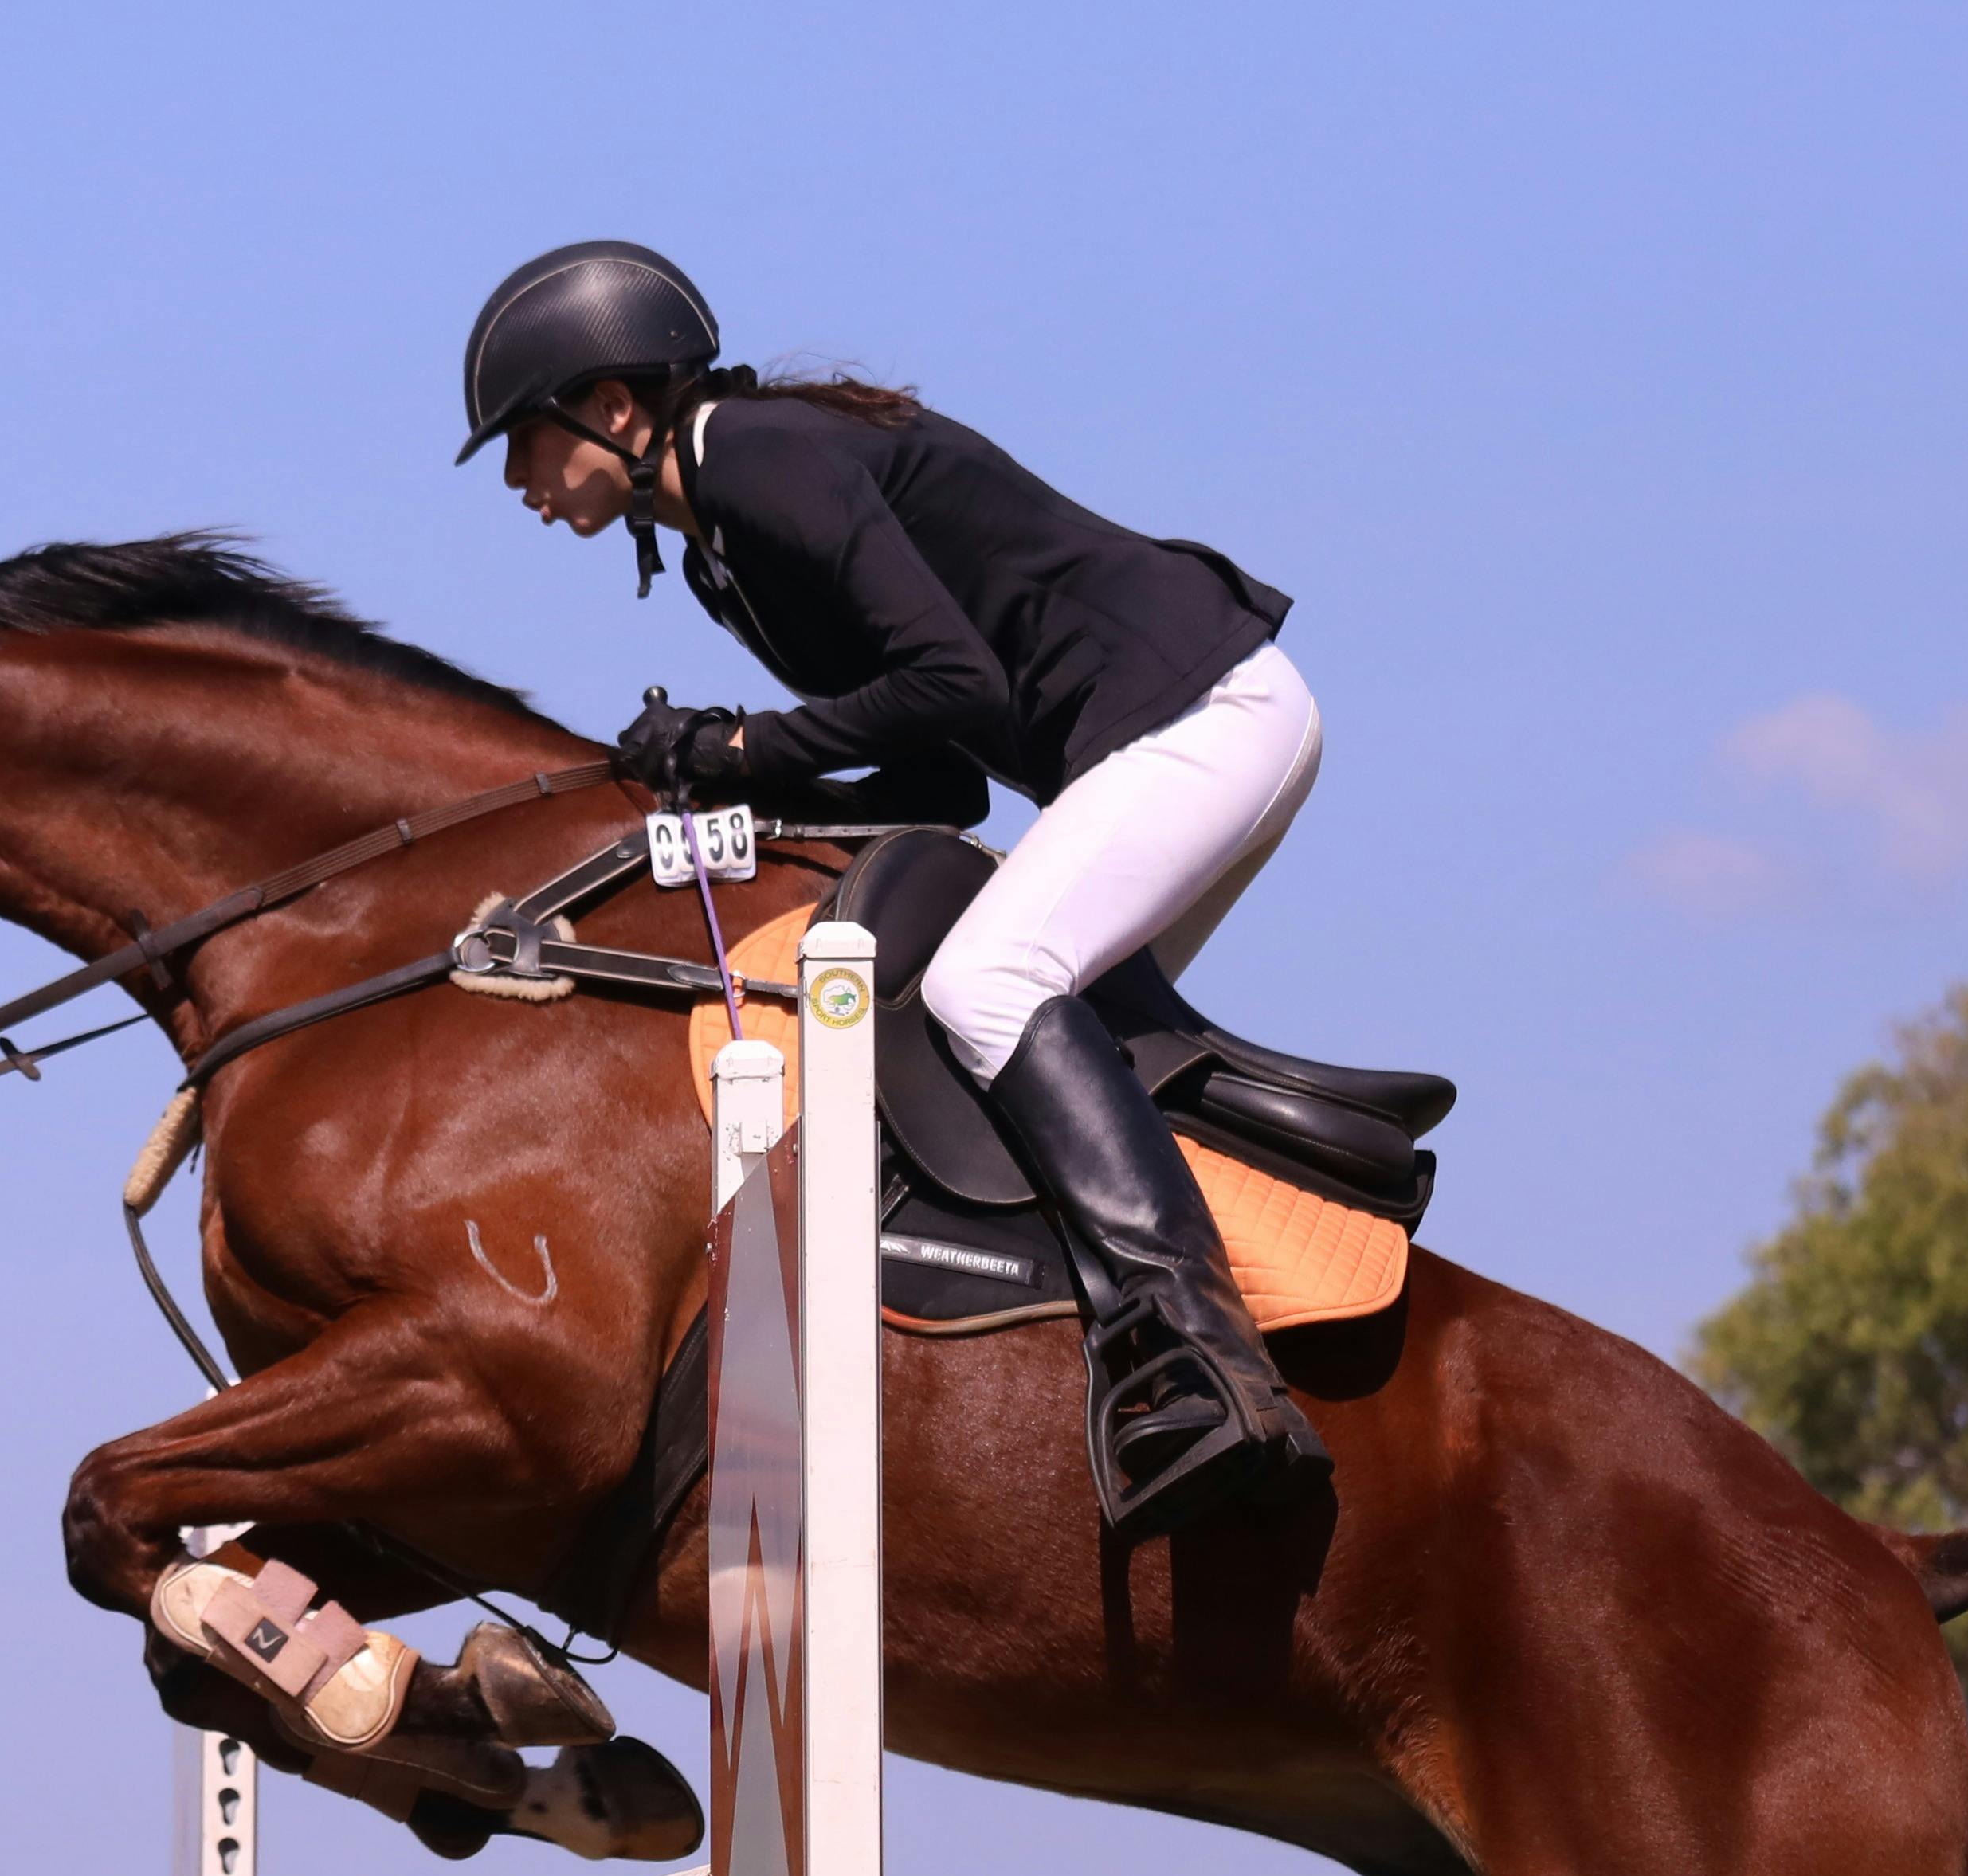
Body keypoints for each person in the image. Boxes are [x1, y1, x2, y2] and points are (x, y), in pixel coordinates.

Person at [461, 240, 1328, 1544]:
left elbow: (956, 689)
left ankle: (1199, 1357)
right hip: (1153, 741)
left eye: (527, 440)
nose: (522, 481)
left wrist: (738, 747)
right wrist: (728, 807)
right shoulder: (719, 558)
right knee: (1017, 1038)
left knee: (989, 982)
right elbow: (940, 775)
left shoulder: (760, 459)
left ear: (616, 408)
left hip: (1203, 719)